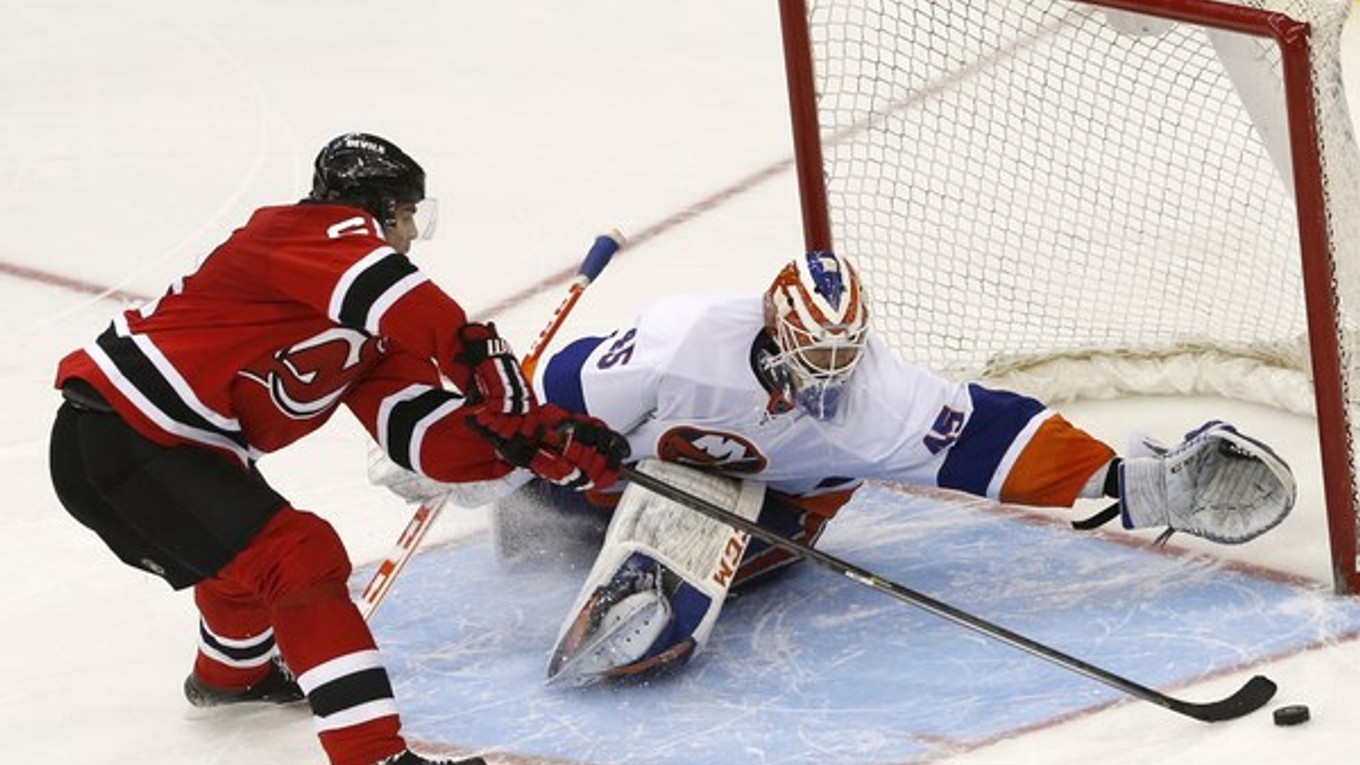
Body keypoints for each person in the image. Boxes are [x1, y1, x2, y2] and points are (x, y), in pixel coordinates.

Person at [373, 249, 1295, 685]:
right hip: (634, 465)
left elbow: (989, 438)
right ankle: (577, 532)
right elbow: (554, 393)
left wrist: (1130, 484)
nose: (826, 378)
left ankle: (656, 584)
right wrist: (468, 448)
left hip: (780, 503)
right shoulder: (685, 342)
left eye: (841, 358)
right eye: (811, 359)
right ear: (775, 329)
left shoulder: (876, 397)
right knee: (536, 513)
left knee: (670, 599)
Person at [47, 132, 628, 765]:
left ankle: (230, 677)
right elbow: (409, 301)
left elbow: (418, 435)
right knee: (297, 557)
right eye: (408, 216)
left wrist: (525, 446)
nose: (411, 235)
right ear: (376, 210)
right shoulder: (296, 233)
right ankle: (370, 756)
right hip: (119, 434)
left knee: (247, 563)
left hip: (178, 452)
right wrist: (490, 373)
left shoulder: (375, 331)